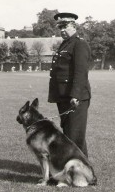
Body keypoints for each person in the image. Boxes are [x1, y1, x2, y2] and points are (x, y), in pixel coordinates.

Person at [48, 12, 91, 157]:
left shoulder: (79, 44)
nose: (61, 30)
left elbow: (81, 72)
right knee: (70, 136)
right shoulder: (65, 45)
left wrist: (75, 95)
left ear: (73, 26)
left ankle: (85, 176)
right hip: (64, 96)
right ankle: (77, 171)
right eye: (60, 27)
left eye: (65, 26)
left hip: (75, 98)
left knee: (75, 137)